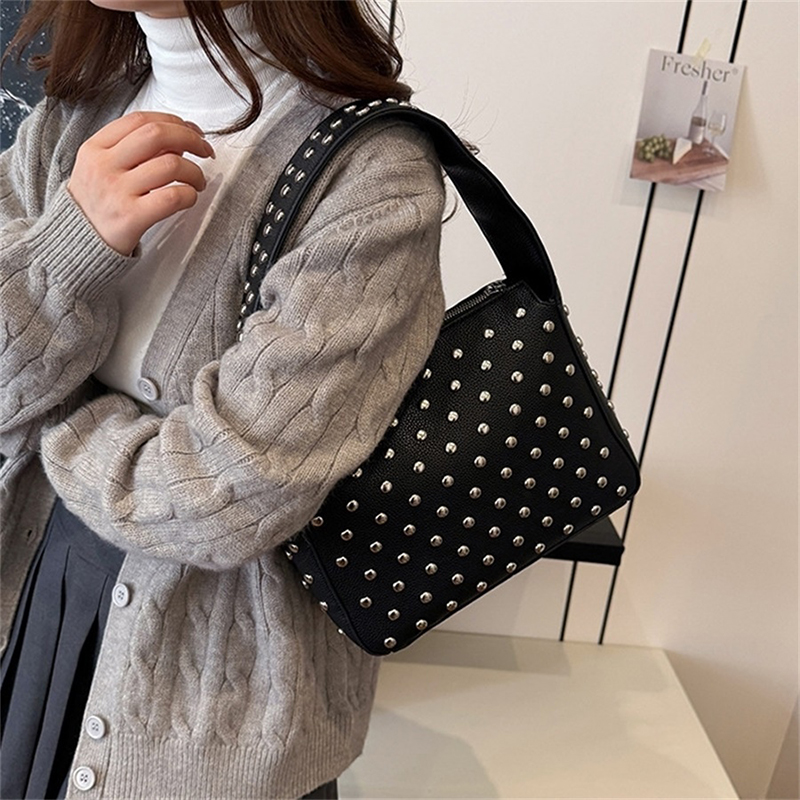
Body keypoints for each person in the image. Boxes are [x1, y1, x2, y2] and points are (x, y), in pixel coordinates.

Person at [0, 1, 447, 797]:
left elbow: (225, 496)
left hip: (208, 704)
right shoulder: (71, 119)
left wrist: (54, 418)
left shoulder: (370, 176)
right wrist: (71, 249)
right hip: (37, 604)